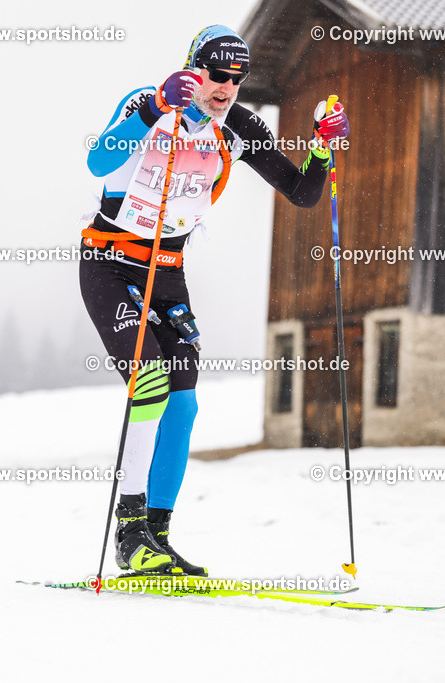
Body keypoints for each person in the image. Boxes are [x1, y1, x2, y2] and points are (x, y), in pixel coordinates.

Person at [79, 25, 350, 576]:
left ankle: (156, 534)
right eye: (216, 75)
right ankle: (128, 536)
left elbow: (302, 192)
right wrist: (155, 108)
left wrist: (321, 147)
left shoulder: (240, 127)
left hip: (167, 271)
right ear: (192, 69)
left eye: (236, 79)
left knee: (183, 403)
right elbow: (100, 163)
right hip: (110, 264)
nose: (226, 88)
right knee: (149, 381)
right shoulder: (148, 102)